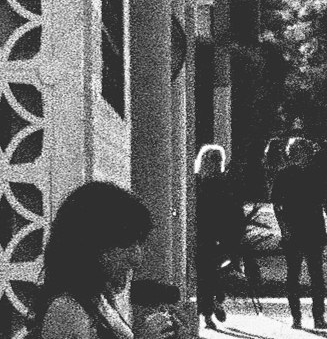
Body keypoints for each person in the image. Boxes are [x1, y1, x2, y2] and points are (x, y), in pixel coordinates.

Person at [26, 181, 183, 339]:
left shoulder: (98, 300)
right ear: (92, 246)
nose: (137, 259)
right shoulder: (67, 309)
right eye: (126, 244)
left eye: (138, 243)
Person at [270, 134, 327, 331]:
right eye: (300, 151)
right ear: (293, 154)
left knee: (316, 275)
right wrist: (283, 227)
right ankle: (296, 317)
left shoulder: (317, 173)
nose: (304, 155)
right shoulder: (284, 175)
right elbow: (276, 204)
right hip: (294, 228)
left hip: (314, 227)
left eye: (306, 151)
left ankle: (318, 316)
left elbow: (326, 201)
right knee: (294, 275)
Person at [193, 145, 238, 326]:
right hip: (203, 233)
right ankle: (208, 313)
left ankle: (217, 301)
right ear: (204, 161)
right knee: (206, 274)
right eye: (213, 160)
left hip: (221, 233)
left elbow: (233, 209)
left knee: (217, 273)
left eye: (219, 160)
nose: (216, 164)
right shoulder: (197, 182)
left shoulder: (223, 183)